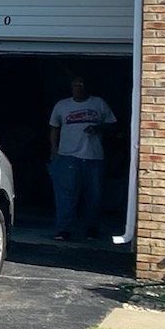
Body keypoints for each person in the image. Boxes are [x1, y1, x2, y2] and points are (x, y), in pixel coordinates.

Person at [48, 77, 117, 240]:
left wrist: (98, 128)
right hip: (68, 156)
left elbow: (113, 124)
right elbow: (54, 128)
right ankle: (64, 230)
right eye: (75, 85)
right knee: (66, 195)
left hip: (94, 157)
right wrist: (53, 150)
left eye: (81, 85)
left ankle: (91, 229)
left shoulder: (98, 103)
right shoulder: (62, 105)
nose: (78, 88)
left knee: (94, 195)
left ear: (87, 87)